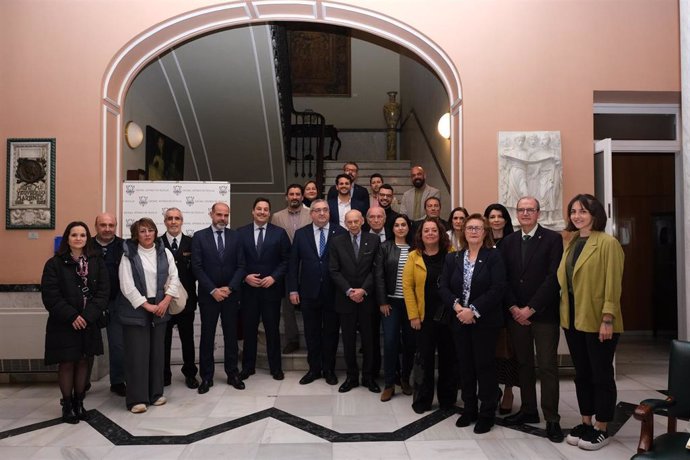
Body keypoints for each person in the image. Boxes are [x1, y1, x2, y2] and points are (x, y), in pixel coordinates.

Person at [558, 194, 624, 451]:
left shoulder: (608, 243)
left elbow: (613, 285)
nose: (576, 216)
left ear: (595, 214)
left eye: (582, 211)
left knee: (601, 375)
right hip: (574, 318)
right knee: (582, 374)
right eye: (573, 211)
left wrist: (607, 319)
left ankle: (602, 426)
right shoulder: (573, 241)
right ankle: (586, 421)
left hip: (598, 320)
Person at [500, 197, 564, 443]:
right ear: (516, 213)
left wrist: (531, 308)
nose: (525, 213)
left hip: (544, 314)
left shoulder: (552, 239)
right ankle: (528, 410)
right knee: (523, 364)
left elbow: (553, 278)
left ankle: (552, 419)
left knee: (547, 366)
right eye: (521, 210)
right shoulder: (508, 242)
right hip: (516, 315)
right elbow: (503, 279)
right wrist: (515, 308)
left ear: (538, 213)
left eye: (530, 210)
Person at [439, 213, 506, 434]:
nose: (473, 231)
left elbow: (497, 289)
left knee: (484, 366)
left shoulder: (494, 256)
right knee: (465, 366)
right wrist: (459, 308)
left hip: (485, 321)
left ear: (485, 232)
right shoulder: (453, 258)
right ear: (463, 232)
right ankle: (469, 409)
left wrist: (474, 311)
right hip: (459, 320)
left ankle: (487, 412)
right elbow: (444, 288)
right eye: (469, 228)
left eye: (478, 228)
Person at [41, 221, 109, 423]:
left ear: (87, 238)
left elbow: (104, 292)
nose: (78, 238)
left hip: (89, 321)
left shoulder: (97, 262)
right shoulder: (54, 264)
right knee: (67, 363)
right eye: (74, 235)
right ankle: (67, 405)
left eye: (82, 235)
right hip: (64, 323)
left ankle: (80, 403)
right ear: (67, 238)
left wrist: (88, 316)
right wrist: (72, 316)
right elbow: (51, 296)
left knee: (84, 361)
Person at [118, 218, 181, 414]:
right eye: (143, 231)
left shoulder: (165, 252)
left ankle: (155, 394)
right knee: (137, 355)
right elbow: (126, 286)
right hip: (136, 309)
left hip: (161, 306)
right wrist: (147, 306)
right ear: (136, 234)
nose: (147, 234)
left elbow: (174, 278)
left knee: (156, 353)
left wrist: (164, 302)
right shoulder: (128, 254)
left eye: (151, 230)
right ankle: (137, 399)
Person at [288, 199, 346, 386]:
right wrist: (293, 289)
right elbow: (293, 264)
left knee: (330, 333)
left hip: (333, 292)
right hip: (308, 292)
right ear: (311, 213)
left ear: (329, 213)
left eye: (325, 210)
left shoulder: (341, 232)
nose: (322, 213)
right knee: (311, 333)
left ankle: (329, 370)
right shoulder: (301, 234)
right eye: (317, 210)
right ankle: (313, 369)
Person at [403, 218, 457, 414]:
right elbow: (407, 287)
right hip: (424, 318)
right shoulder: (413, 257)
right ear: (421, 234)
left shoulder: (451, 255)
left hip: (448, 316)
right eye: (426, 230)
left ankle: (447, 400)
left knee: (448, 360)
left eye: (434, 230)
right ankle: (422, 400)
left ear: (440, 233)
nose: (430, 233)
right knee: (424, 360)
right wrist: (413, 316)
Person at [191, 202, 246, 394]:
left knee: (231, 336)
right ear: (211, 214)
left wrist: (229, 288)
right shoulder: (199, 237)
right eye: (219, 214)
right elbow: (196, 267)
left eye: (226, 215)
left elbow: (241, 266)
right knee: (207, 336)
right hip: (209, 296)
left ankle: (233, 374)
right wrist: (213, 290)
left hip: (231, 296)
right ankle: (206, 377)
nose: (222, 218)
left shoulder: (236, 236)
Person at [238, 198, 291, 381]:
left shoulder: (280, 233)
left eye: (265, 209)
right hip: (249, 290)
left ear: (270, 213)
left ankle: (275, 368)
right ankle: (247, 367)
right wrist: (245, 276)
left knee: (272, 330)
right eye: (258, 209)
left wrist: (274, 277)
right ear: (253, 211)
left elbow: (286, 260)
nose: (262, 212)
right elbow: (236, 261)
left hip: (271, 291)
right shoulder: (241, 233)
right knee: (249, 330)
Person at [329, 209, 381, 394]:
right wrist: (350, 291)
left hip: (367, 299)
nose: (353, 225)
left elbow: (376, 269)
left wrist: (363, 290)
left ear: (362, 221)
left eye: (356, 221)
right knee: (349, 340)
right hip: (346, 299)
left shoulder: (374, 240)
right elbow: (333, 270)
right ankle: (351, 377)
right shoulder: (336, 242)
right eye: (349, 222)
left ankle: (368, 377)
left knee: (369, 340)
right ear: (345, 223)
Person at [375, 214, 415, 401]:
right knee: (390, 342)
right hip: (391, 303)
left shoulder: (416, 248)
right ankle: (390, 383)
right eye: (397, 225)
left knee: (409, 344)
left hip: (411, 305)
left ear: (408, 227)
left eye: (404, 224)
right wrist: (382, 301)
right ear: (392, 228)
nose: (400, 228)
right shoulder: (385, 247)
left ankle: (405, 379)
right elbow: (379, 276)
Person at [483, 203, 518, 414]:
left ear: (506, 220)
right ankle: (492, 389)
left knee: (508, 351)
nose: (496, 220)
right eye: (492, 216)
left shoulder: (513, 242)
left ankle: (508, 390)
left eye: (499, 216)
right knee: (489, 351)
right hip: (487, 305)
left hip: (508, 305)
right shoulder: (482, 243)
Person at [271, 184, 312, 355]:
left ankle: (312, 339)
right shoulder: (276, 217)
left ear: (303, 197)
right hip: (287, 265)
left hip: (308, 264)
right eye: (291, 194)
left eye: (298, 194)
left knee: (310, 303)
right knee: (288, 304)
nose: (294, 197)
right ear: (286, 197)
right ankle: (292, 339)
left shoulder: (312, 213)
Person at [160, 208, 199, 390]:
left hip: (186, 301)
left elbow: (198, 270)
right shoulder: (157, 243)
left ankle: (190, 374)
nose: (173, 222)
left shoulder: (193, 243)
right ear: (165, 221)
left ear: (182, 221)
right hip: (163, 302)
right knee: (164, 341)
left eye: (177, 218)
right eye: (170, 218)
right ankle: (164, 374)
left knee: (187, 340)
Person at [92, 212, 126, 397]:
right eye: (103, 225)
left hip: (117, 303)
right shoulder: (86, 245)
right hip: (90, 304)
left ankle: (118, 381)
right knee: (86, 343)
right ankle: (82, 382)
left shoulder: (125, 246)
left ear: (116, 226)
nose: (107, 229)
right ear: (96, 226)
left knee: (118, 345)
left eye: (111, 225)